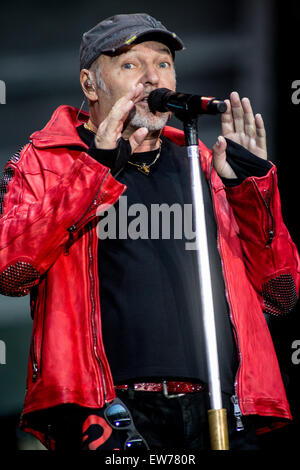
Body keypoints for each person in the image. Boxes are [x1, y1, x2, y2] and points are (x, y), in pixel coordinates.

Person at [0, 13, 299, 451]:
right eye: (130, 65)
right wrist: (95, 169)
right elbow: (12, 270)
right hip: (107, 414)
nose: (151, 78)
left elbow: (281, 292)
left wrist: (249, 189)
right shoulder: (50, 162)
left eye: (162, 64)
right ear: (89, 85)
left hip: (219, 408)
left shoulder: (205, 167)